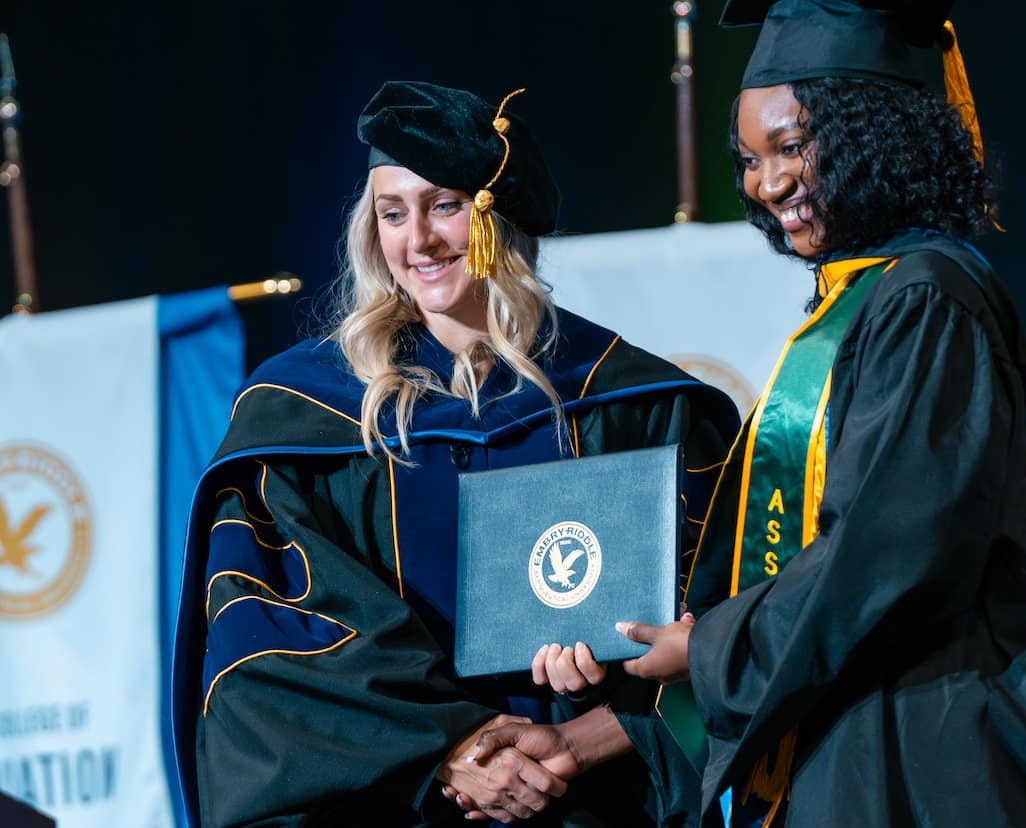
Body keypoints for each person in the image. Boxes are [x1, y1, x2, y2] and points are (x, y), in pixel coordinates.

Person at [468, 2, 1026, 826]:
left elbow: (889, 553)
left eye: (793, 146)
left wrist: (709, 647)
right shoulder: (875, 296)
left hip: (934, 750)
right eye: (750, 160)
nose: (768, 184)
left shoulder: (928, 300)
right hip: (871, 731)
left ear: (876, 134)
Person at [169, 80, 740, 827]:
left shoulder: (630, 402)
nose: (419, 241)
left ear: (497, 215)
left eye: (444, 205)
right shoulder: (305, 416)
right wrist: (451, 747)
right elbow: (274, 645)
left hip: (592, 805)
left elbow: (724, 628)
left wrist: (589, 733)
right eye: (392, 213)